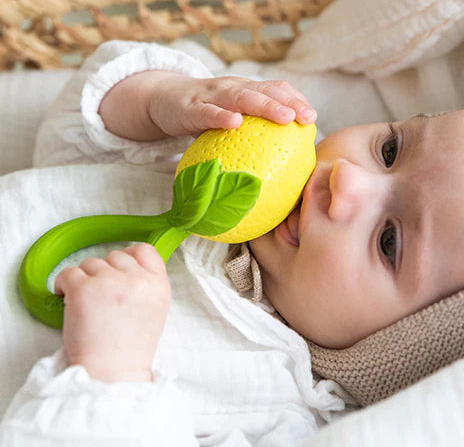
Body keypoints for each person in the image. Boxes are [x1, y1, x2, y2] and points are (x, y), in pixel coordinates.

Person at [0, 39, 463, 445]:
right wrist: (159, 102)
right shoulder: (227, 164)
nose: (346, 181)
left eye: (388, 241)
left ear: (398, 349)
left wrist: (111, 371)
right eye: (390, 150)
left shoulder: (283, 415)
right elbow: (62, 142)